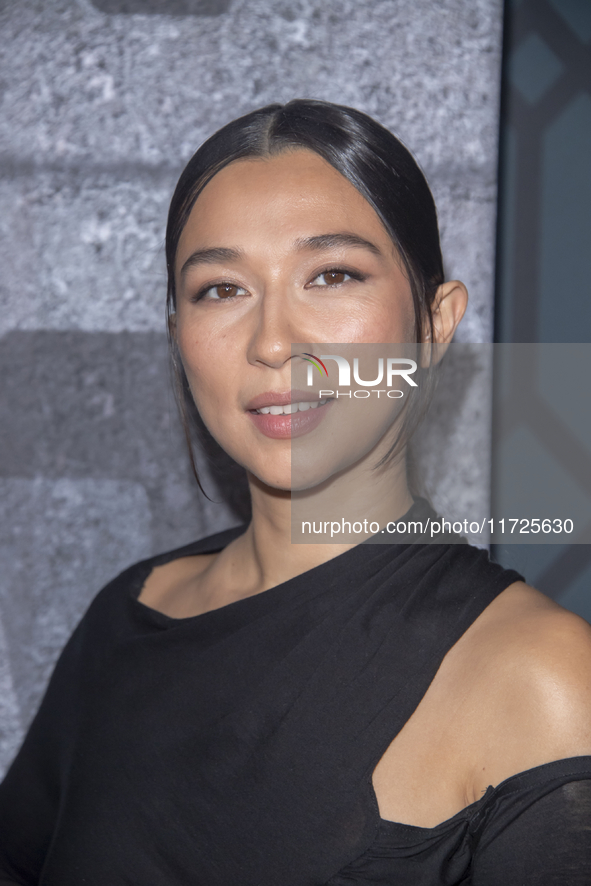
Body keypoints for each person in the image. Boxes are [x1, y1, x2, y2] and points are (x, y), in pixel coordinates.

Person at [1, 99, 590, 885]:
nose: (274, 341)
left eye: (333, 274)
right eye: (220, 289)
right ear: (176, 333)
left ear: (434, 322)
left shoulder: (544, 678)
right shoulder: (130, 615)